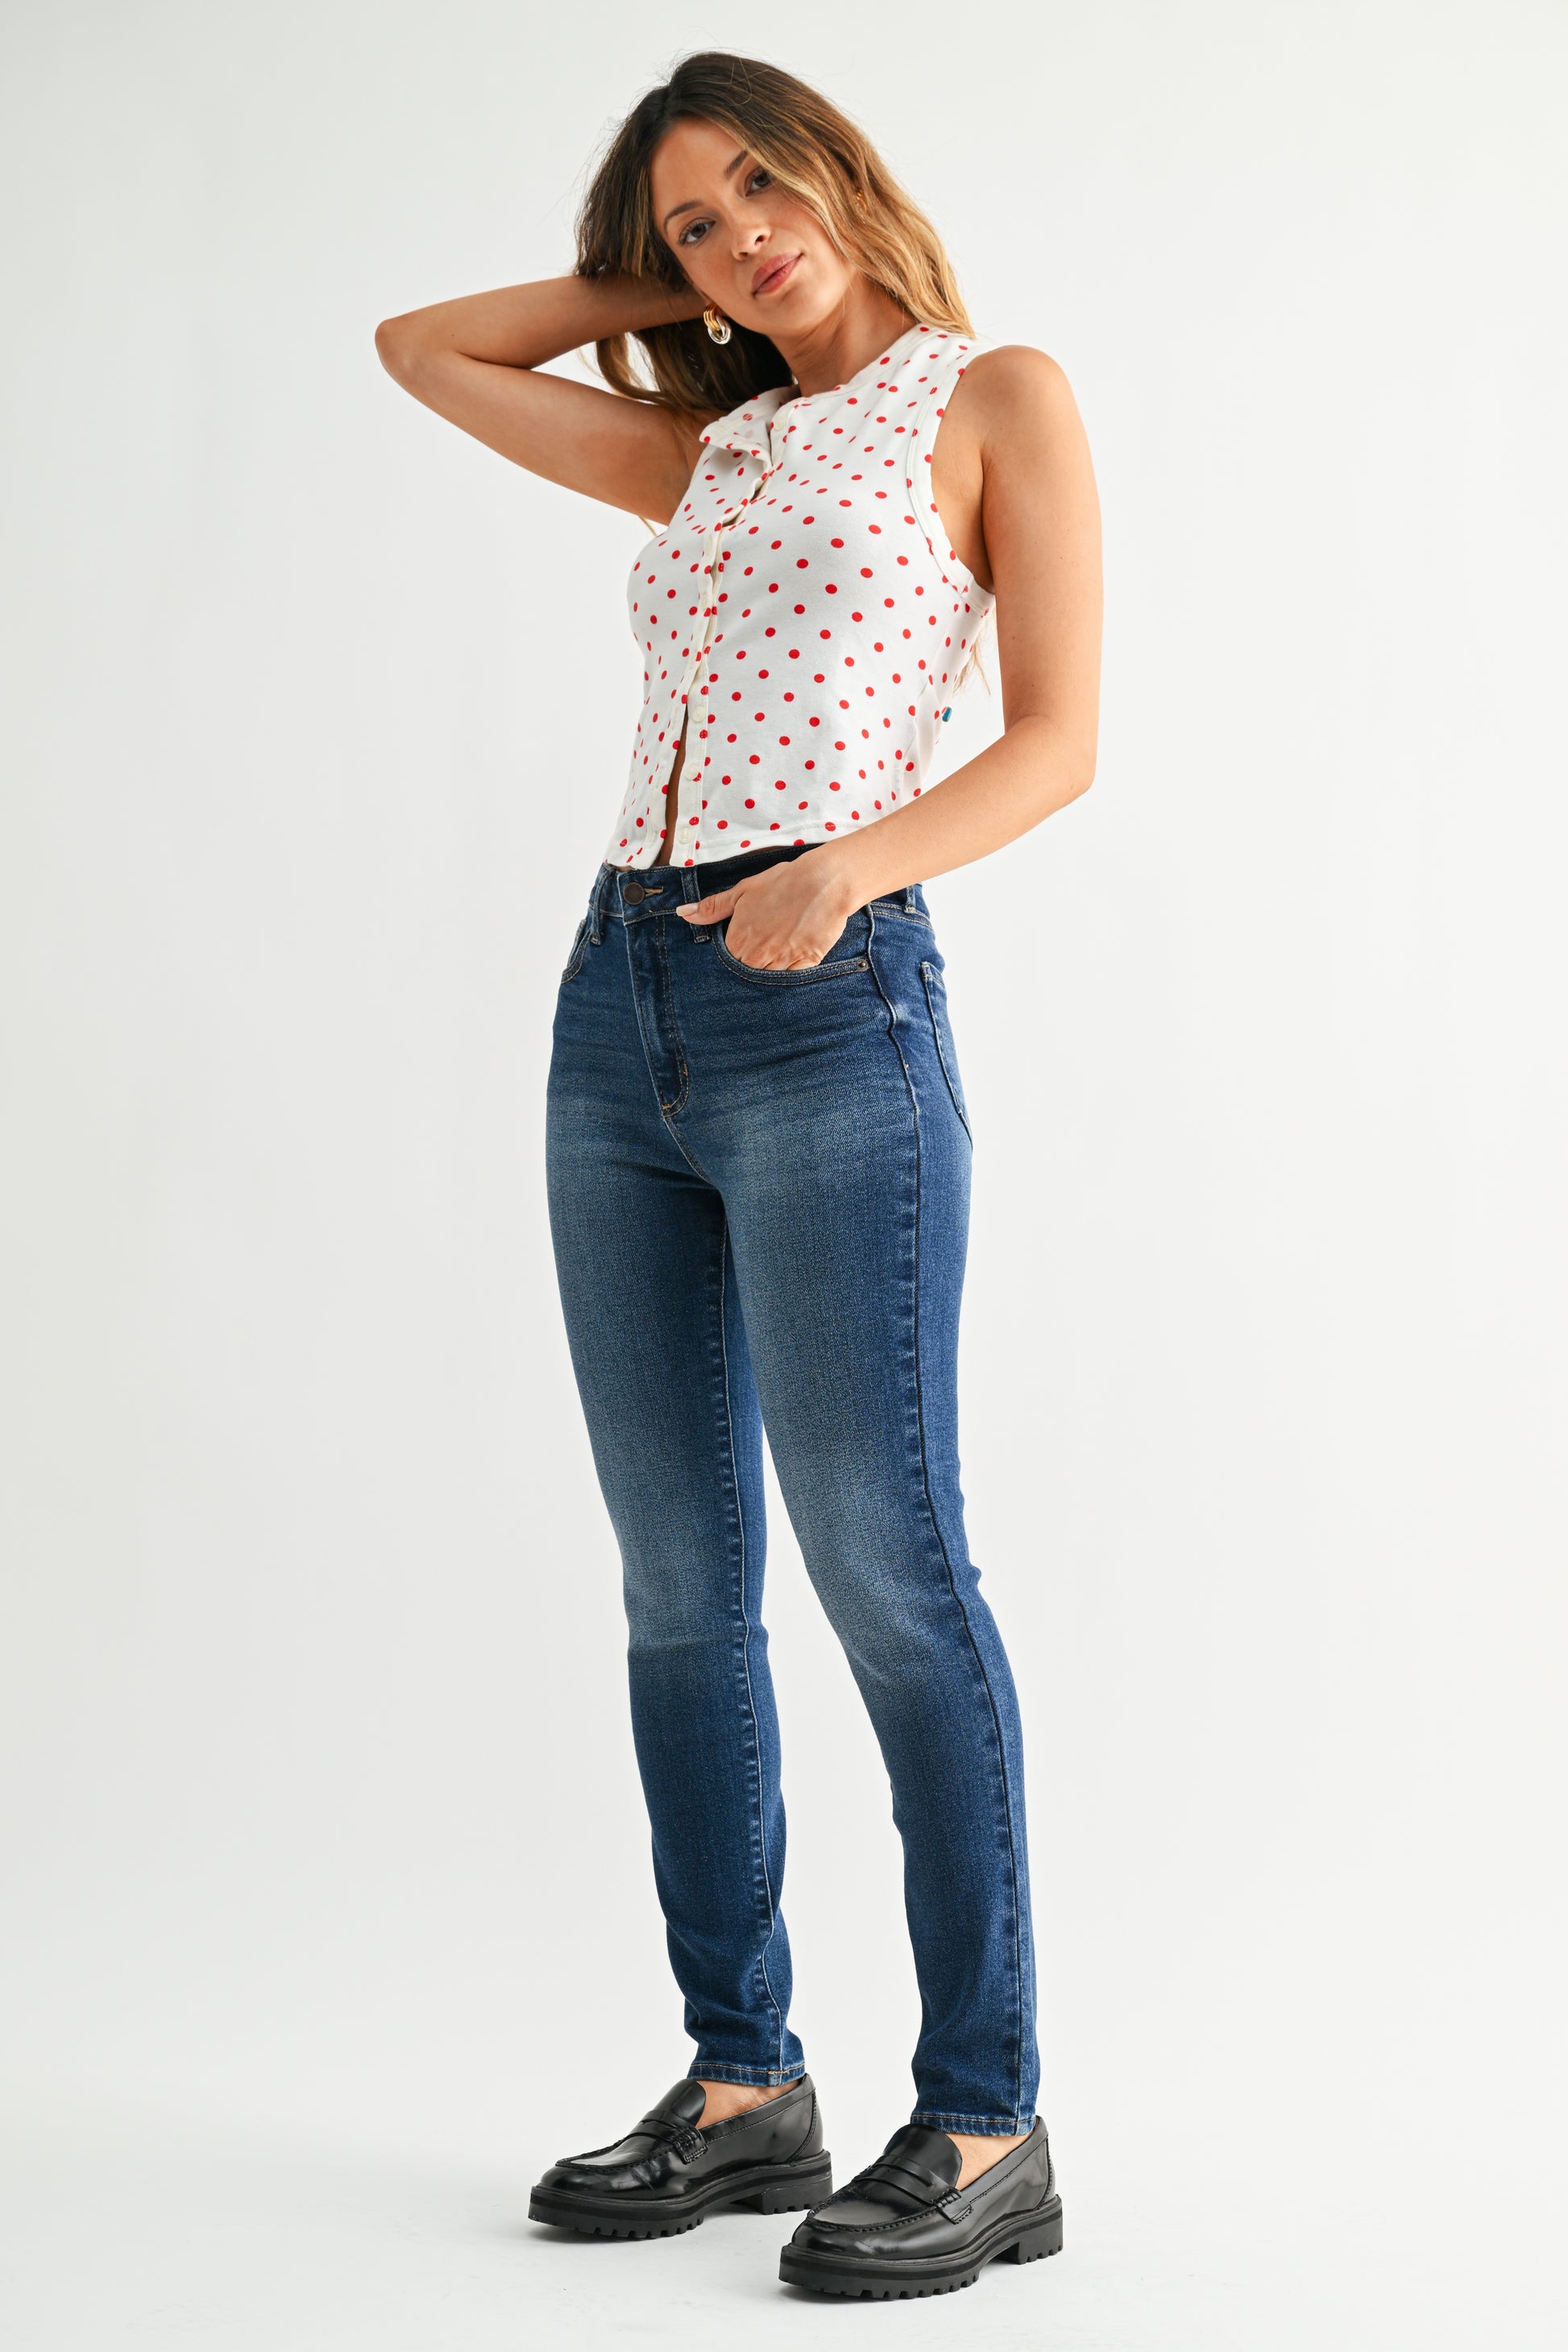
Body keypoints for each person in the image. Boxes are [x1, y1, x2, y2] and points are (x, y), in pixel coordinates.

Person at [375, 49, 1101, 2300]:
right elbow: (424, 349)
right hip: (621, 1009)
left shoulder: (992, 395)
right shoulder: (708, 447)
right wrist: (655, 279)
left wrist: (846, 872)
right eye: (693, 229)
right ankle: (738, 2086)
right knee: (678, 1583)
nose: (737, 243)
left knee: (887, 1569)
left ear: (842, 173)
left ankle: (982, 2117)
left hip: (827, 997)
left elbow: (1063, 737)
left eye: (761, 191)